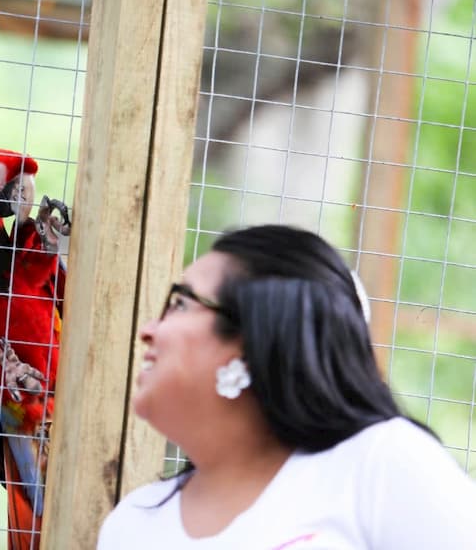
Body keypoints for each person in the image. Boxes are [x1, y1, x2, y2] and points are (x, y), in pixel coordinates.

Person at [97, 224, 476, 549]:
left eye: (180, 303)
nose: (148, 330)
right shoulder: (131, 525)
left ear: (252, 338)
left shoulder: (382, 464)